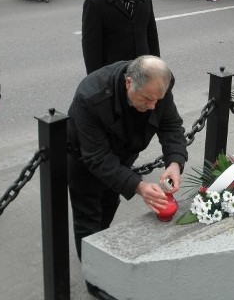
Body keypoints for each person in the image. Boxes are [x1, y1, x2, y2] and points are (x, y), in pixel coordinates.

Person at [66, 56, 187, 293]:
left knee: (108, 208)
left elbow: (171, 125)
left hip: (120, 158)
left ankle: (101, 252)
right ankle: (95, 282)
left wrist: (174, 162)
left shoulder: (158, 88)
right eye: (146, 100)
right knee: (88, 220)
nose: (153, 106)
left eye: (157, 100)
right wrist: (138, 186)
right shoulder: (90, 97)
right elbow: (97, 157)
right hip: (84, 160)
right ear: (128, 82)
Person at [81, 0, 160, 74]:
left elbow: (152, 37)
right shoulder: (96, 3)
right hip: (113, 75)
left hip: (142, 73)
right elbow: (91, 48)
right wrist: (96, 80)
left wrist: (156, 68)